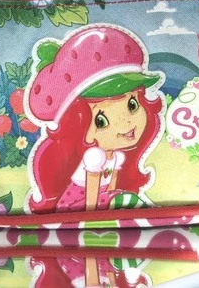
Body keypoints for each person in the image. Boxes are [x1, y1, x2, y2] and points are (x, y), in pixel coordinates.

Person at [24, 25, 165, 213]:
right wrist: (95, 213)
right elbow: (91, 196)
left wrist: (112, 198)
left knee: (124, 199)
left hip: (101, 201)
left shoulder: (116, 156)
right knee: (127, 200)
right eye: (101, 121)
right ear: (82, 130)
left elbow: (112, 186)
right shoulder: (94, 157)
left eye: (132, 105)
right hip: (78, 205)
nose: (126, 122)